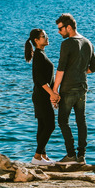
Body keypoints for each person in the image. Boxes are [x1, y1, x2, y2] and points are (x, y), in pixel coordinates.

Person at [52, 13, 95, 165]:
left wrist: (54, 90)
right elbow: (94, 68)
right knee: (81, 121)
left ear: (69, 27)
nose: (59, 32)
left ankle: (71, 154)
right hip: (82, 89)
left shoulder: (67, 44)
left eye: (60, 29)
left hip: (68, 89)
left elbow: (60, 70)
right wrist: (79, 70)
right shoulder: (88, 42)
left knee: (62, 121)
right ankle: (82, 156)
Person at [25, 28, 60, 166]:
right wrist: (52, 93)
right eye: (43, 36)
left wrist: (51, 95)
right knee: (50, 125)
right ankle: (37, 156)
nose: (47, 37)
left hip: (42, 96)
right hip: (41, 96)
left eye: (46, 35)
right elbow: (39, 79)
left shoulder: (41, 54)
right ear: (36, 40)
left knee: (42, 125)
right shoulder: (39, 56)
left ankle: (42, 156)